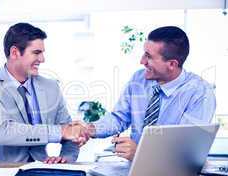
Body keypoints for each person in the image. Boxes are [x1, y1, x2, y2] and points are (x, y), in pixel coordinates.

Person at [75, 26, 216, 160]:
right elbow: (119, 118)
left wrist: (140, 154)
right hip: (134, 171)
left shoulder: (200, 93)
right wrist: (89, 129)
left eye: (148, 56)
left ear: (172, 64)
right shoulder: (139, 79)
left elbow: (186, 150)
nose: (142, 61)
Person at [0, 22, 85, 164]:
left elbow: (70, 133)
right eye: (36, 53)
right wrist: (60, 132)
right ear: (14, 53)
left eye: (43, 53)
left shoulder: (51, 87)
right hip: (0, 173)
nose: (42, 59)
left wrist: (65, 158)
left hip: (42, 170)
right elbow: (2, 132)